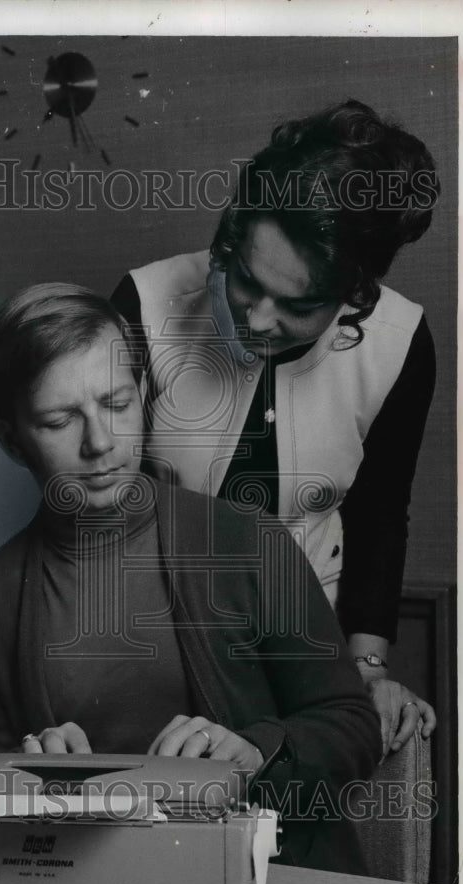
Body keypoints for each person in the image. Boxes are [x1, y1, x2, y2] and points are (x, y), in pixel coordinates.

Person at [0, 282, 382, 875]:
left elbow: (352, 724)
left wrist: (255, 750)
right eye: (58, 419)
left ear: (145, 394)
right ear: (10, 439)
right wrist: (22, 772)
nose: (100, 443)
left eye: (117, 404)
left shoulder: (248, 541)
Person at [111, 99, 439, 757]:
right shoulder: (145, 306)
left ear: (356, 290)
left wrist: (367, 671)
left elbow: (379, 515)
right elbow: (96, 503)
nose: (259, 320)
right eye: (246, 281)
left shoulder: (401, 344)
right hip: (147, 639)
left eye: (300, 305)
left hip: (304, 649)